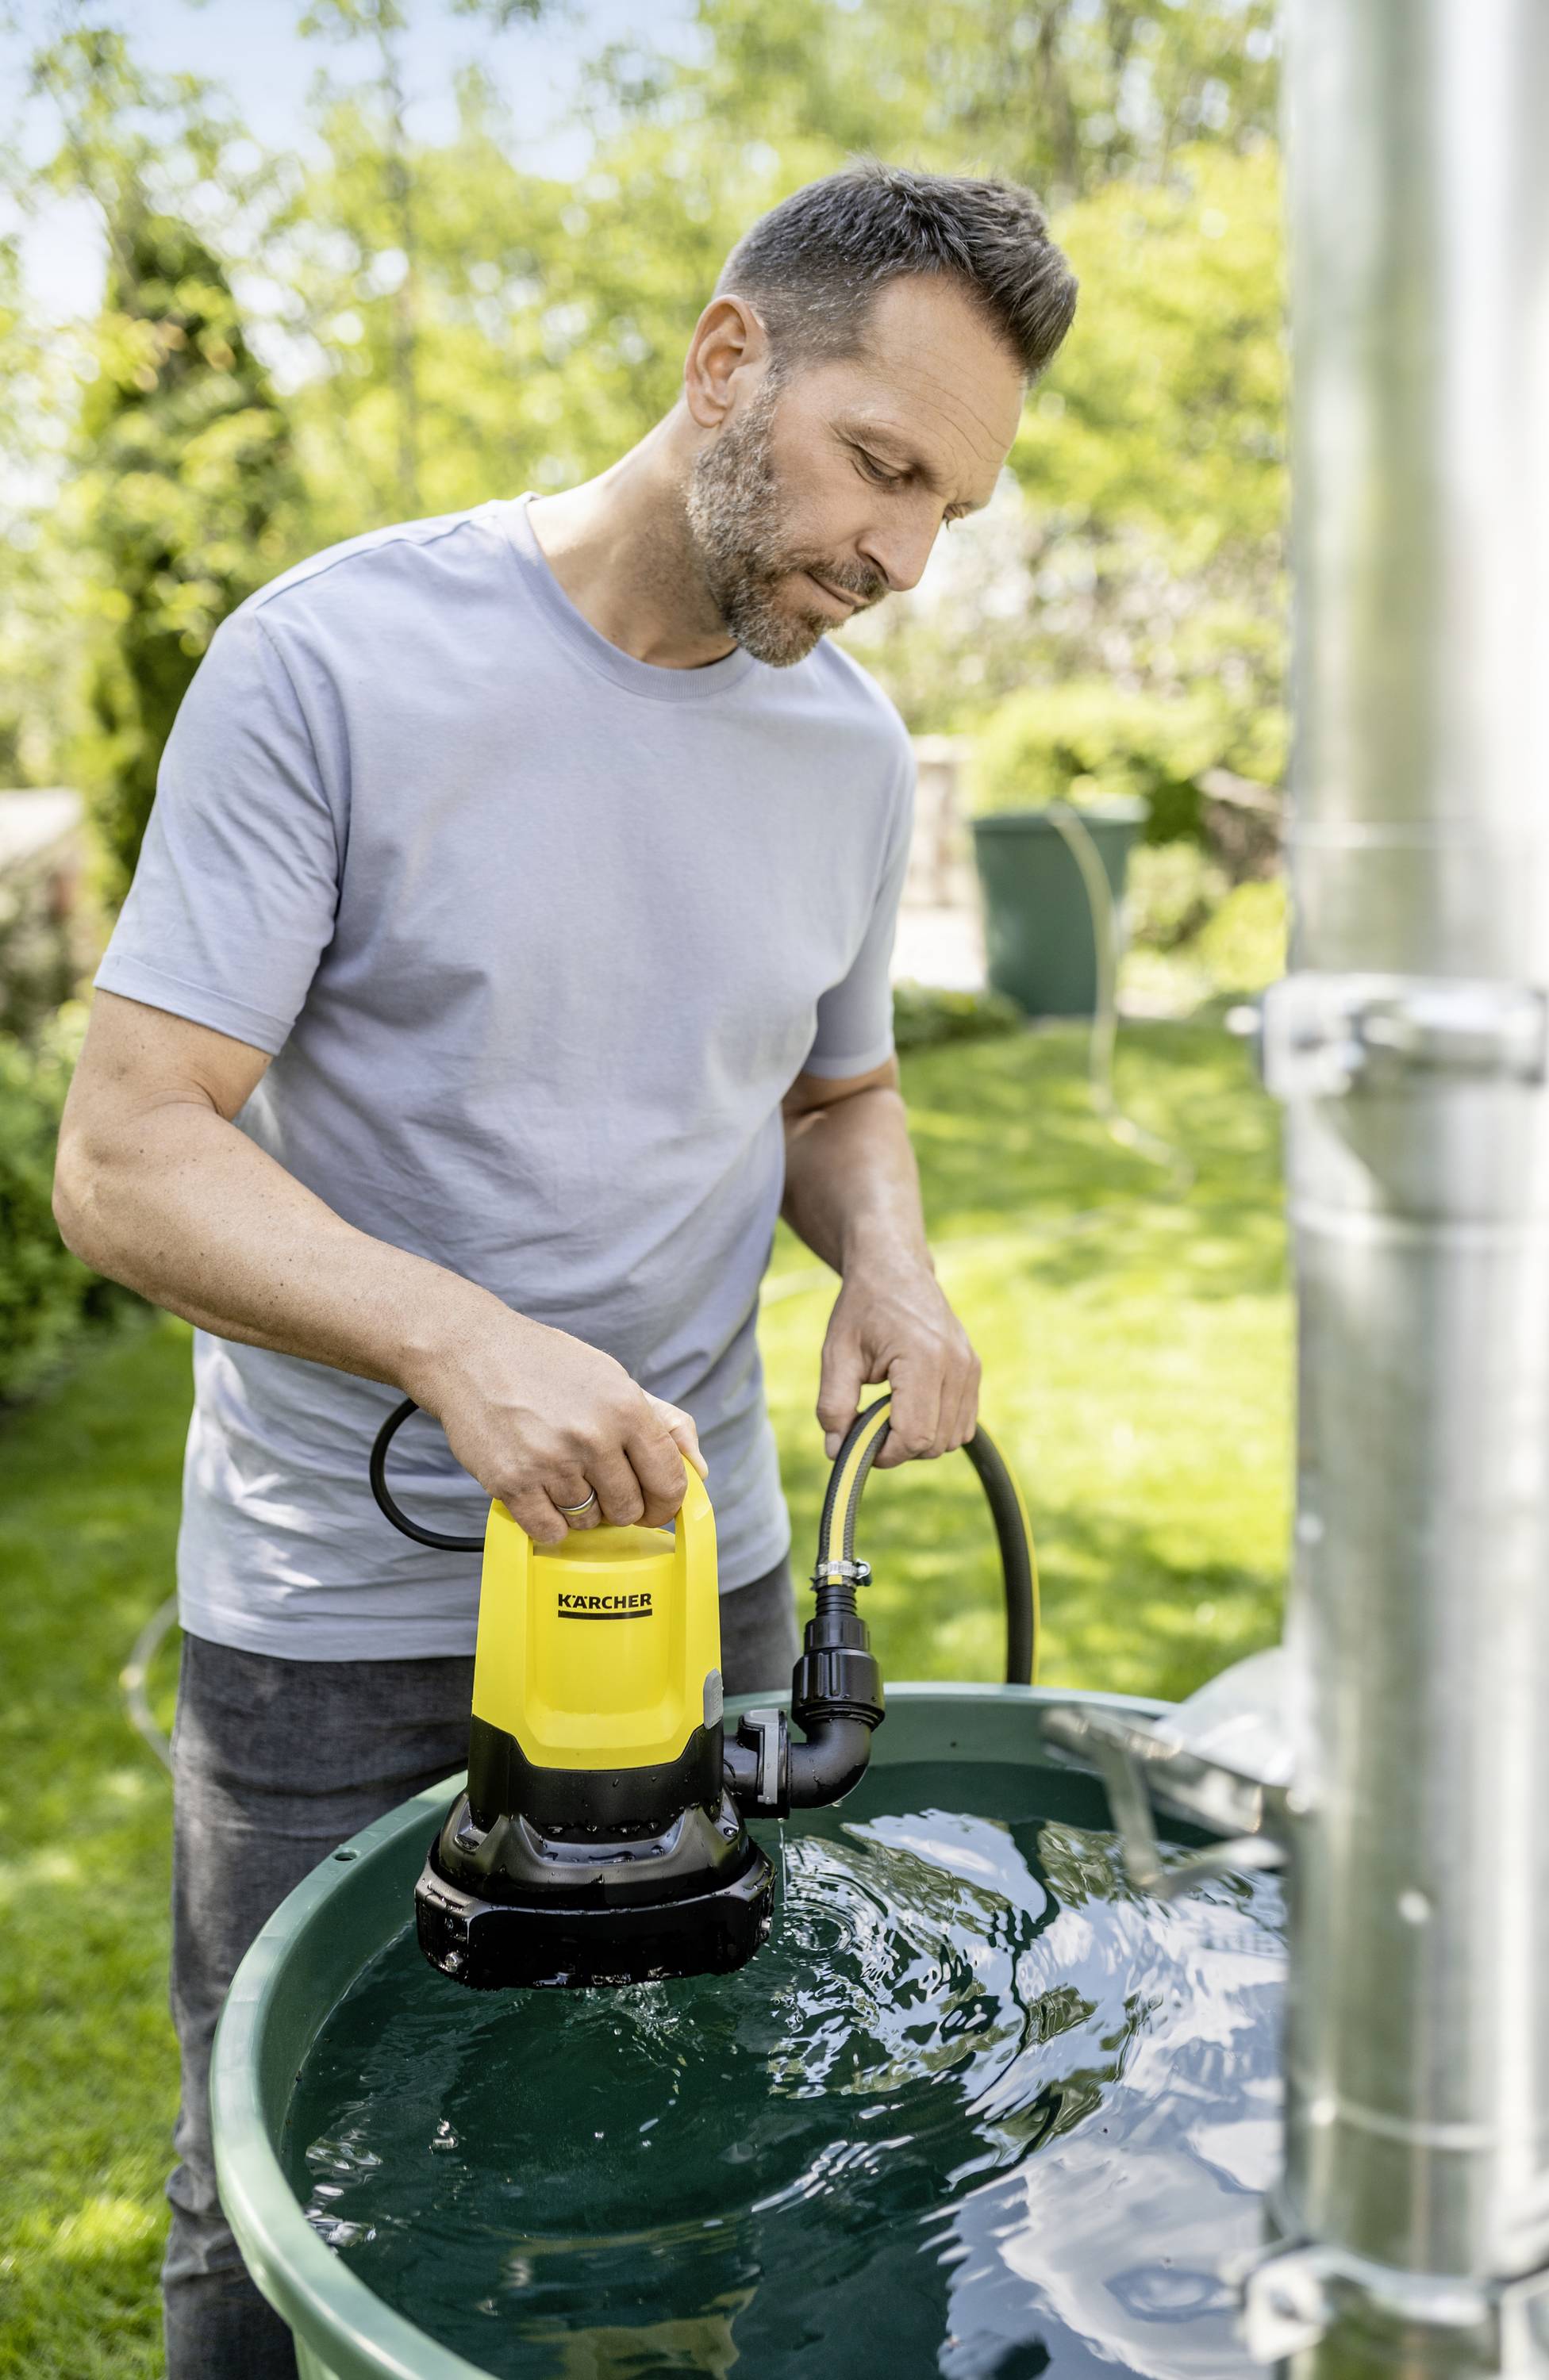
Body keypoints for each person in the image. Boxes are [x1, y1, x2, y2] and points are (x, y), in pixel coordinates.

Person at [54, 162, 1076, 2378]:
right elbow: (129, 1155)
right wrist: (459, 1336)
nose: (901, 559)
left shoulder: (849, 753)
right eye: (881, 468)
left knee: (669, 2141)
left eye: (946, 515)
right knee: (281, 2184)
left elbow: (832, 1097)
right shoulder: (332, 661)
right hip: (341, 1600)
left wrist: (889, 1274)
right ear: (729, 362)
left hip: (687, 1579)